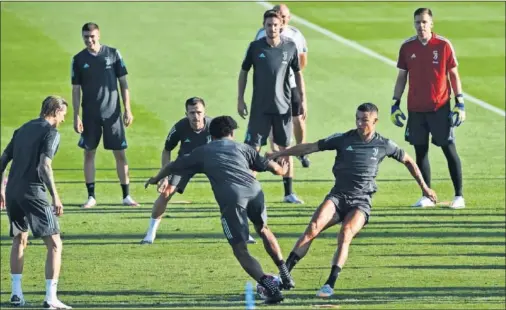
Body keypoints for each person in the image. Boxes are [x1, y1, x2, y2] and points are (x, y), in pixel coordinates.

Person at [268, 103, 437, 298]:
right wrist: (280, 153)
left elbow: (408, 160)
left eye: (364, 120)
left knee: (345, 233)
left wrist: (424, 188)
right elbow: (311, 147)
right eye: (357, 118)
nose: (359, 123)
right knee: (313, 227)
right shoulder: (342, 139)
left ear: (375, 121)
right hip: (337, 197)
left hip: (361, 202)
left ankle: (329, 284)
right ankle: (284, 276)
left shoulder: (384, 144)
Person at [145, 116, 295, 304]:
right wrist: (282, 169)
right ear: (231, 132)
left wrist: (155, 178)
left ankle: (270, 286)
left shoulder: (203, 151)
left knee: (240, 250)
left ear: (211, 134)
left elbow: (172, 166)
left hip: (232, 198)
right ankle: (285, 274)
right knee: (263, 229)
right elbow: (274, 168)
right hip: (255, 191)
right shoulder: (244, 148)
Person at [140, 97, 256, 244]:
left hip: (211, 161)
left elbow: (228, 146)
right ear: (186, 113)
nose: (196, 116)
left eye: (199, 112)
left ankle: (244, 233)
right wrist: (165, 176)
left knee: (232, 194)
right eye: (192, 113)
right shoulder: (179, 127)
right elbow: (167, 150)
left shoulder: (214, 126)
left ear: (204, 112)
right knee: (166, 192)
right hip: (187, 161)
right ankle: (150, 234)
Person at [0, 96, 72, 309]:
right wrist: (55, 196)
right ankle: (51, 298)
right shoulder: (51, 133)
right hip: (33, 192)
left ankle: (16, 294)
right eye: (63, 115)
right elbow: (44, 166)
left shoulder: (22, 129)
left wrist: (2, 189)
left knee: (19, 239)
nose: (63, 120)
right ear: (56, 111)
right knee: (55, 243)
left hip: (12, 190)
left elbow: (2, 161)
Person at [390, 8, 465, 209]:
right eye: (417, 22)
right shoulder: (407, 47)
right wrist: (394, 103)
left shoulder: (443, 45)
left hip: (439, 107)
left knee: (449, 150)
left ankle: (459, 196)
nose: (420, 26)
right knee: (420, 152)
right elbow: (401, 77)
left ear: (431, 23)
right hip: (415, 109)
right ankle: (427, 195)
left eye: (424, 22)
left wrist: (460, 103)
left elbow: (454, 75)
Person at [238, 9, 307, 204]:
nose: (272, 28)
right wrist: (240, 99)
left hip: (283, 107)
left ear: (281, 26)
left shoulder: (290, 47)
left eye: (275, 25)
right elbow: (243, 72)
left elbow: (298, 74)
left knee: (286, 149)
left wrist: (301, 98)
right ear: (264, 26)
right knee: (253, 149)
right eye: (269, 25)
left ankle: (289, 193)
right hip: (259, 108)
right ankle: (249, 191)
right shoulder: (255, 47)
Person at [71, 22, 138, 208]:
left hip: (113, 114)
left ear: (98, 35)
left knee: (120, 154)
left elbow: (123, 84)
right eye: (86, 37)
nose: (89, 40)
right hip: (90, 115)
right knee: (89, 153)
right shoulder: (78, 59)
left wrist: (128, 109)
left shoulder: (113, 54)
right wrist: (76, 115)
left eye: (92, 36)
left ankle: (126, 196)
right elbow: (76, 90)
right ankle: (91, 196)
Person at [254, 4, 310, 168]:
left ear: (288, 18)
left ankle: (301, 150)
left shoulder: (295, 35)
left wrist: (288, 71)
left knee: (298, 117)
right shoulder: (262, 34)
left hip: (291, 83)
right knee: (274, 119)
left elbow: (302, 60)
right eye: (279, 16)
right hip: (271, 86)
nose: (282, 19)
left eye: (284, 16)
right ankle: (277, 152)